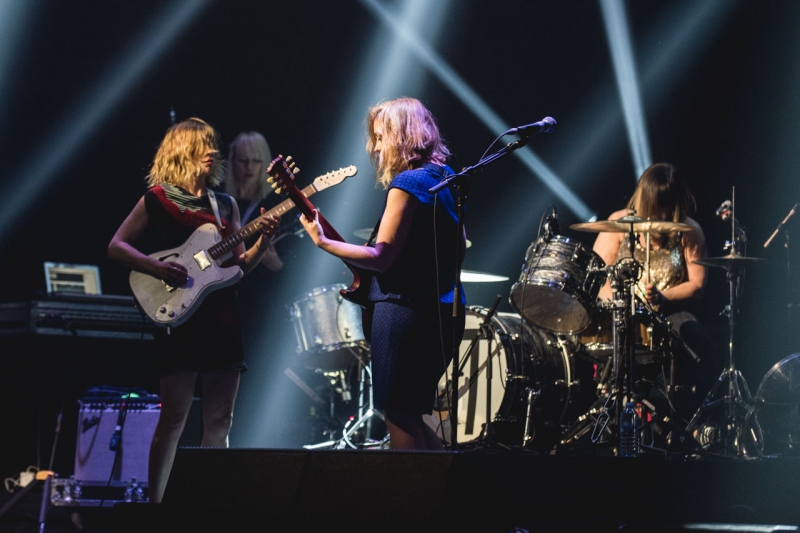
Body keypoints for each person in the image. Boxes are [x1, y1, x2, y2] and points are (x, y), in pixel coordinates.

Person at [108, 118, 281, 503]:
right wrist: (156, 267)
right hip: (180, 317)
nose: (213, 151)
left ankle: (208, 506)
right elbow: (116, 246)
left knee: (221, 420)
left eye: (213, 145)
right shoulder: (157, 199)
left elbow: (239, 268)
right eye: (203, 145)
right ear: (183, 150)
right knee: (173, 419)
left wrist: (262, 239)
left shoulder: (225, 205)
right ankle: (156, 507)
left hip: (222, 318)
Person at [298, 97, 466, 450]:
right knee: (412, 415)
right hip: (444, 312)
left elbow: (381, 256)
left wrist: (323, 242)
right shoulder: (447, 178)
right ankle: (448, 495)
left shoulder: (406, 184)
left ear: (403, 136)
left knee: (399, 415)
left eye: (380, 136)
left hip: (403, 312)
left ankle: (411, 501)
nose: (374, 147)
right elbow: (462, 243)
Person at [591, 162, 716, 420]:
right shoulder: (618, 224)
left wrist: (662, 297)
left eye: (667, 206)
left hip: (668, 313)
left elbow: (697, 285)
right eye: (657, 206)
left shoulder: (688, 231)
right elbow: (596, 275)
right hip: (621, 313)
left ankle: (673, 415)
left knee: (692, 337)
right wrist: (617, 300)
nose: (661, 213)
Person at [224, 131, 284, 272]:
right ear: (232, 161)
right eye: (243, 160)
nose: (249, 167)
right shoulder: (219, 198)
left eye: (257, 161)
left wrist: (278, 265)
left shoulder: (276, 203)